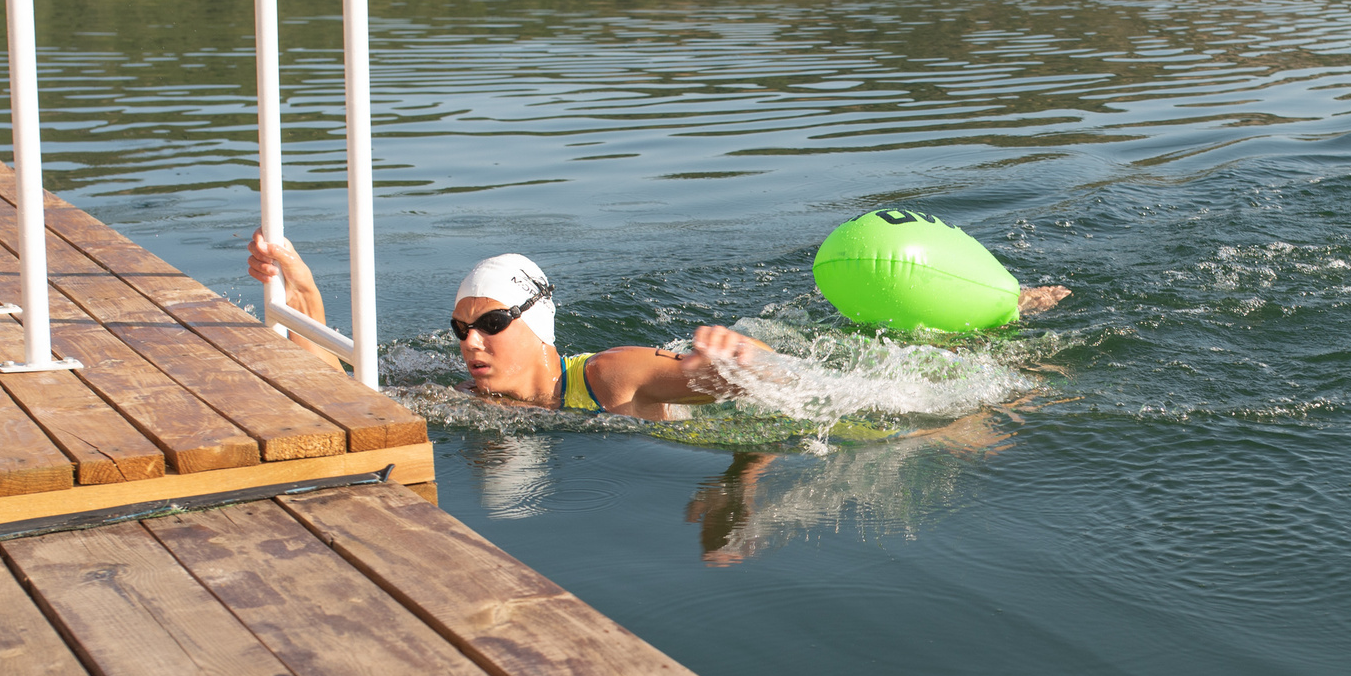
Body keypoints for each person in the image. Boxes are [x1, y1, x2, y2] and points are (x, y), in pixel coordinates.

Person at [246, 231, 1069, 419]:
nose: (468, 343)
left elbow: (723, 383)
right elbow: (339, 383)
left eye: (489, 323)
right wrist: (303, 286)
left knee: (966, 410)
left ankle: (1008, 323)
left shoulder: (607, 373)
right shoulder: (465, 396)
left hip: (790, 411)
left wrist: (734, 359)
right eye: (460, 326)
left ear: (537, 324)